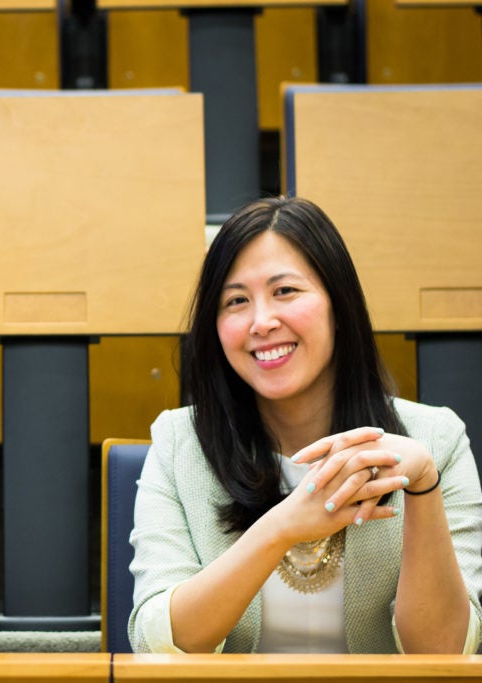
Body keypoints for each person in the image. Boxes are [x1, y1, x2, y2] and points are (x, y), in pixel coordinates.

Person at [128, 196, 482, 654]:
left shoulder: (435, 440)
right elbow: (157, 642)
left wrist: (423, 488)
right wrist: (282, 526)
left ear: (339, 305)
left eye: (285, 292)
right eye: (236, 301)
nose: (261, 322)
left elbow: (445, 653)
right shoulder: (178, 444)